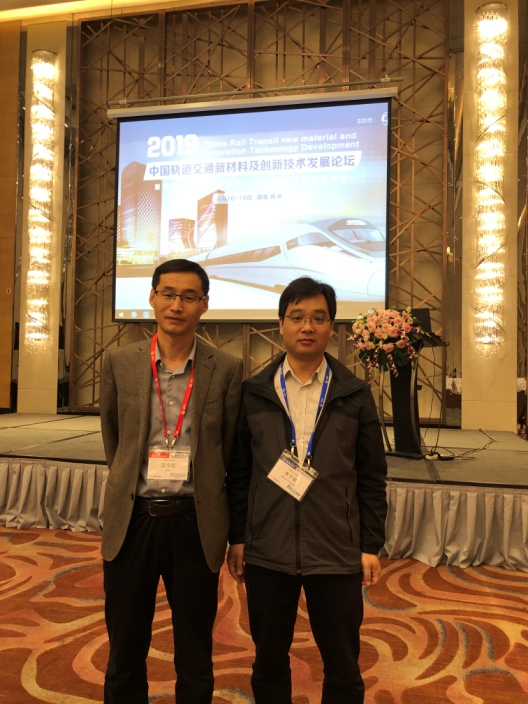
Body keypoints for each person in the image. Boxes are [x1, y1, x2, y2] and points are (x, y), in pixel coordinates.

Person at [226, 276, 388, 704]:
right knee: (268, 661)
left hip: (336, 550)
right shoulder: (255, 392)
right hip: (267, 549)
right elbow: (239, 472)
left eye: (318, 318)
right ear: (281, 324)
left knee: (343, 663)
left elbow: (372, 476)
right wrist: (238, 536)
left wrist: (369, 544)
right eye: (297, 317)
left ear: (332, 327)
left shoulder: (353, 393)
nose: (307, 326)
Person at [99, 259, 243, 704]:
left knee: (195, 652)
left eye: (188, 296)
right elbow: (114, 439)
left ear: (204, 304)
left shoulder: (227, 368)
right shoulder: (120, 362)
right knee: (125, 648)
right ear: (152, 298)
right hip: (133, 521)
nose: (177, 305)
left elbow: (228, 448)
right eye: (168, 294)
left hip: (194, 523)